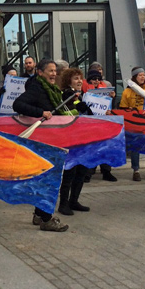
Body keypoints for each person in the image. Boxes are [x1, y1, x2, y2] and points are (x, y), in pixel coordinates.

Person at [12, 59, 69, 232]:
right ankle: (46, 218)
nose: (53, 74)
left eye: (55, 71)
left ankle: (39, 214)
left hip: (50, 140)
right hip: (42, 141)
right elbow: (18, 104)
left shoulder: (51, 89)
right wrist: (40, 113)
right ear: (40, 72)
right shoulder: (37, 88)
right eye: (50, 71)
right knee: (48, 179)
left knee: (46, 177)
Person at [56, 68, 93, 215]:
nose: (79, 81)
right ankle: (63, 203)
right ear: (68, 81)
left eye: (80, 78)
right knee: (70, 171)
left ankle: (74, 200)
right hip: (70, 138)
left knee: (82, 170)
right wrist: (80, 106)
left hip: (83, 137)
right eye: (76, 78)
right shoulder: (66, 95)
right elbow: (67, 112)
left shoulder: (81, 95)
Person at [119, 66, 145, 181]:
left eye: (144, 75)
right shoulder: (127, 91)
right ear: (134, 77)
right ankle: (136, 170)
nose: (142, 77)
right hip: (135, 122)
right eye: (140, 75)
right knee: (135, 147)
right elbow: (122, 108)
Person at [82, 69, 118, 182]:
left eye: (98, 79)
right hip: (91, 124)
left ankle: (106, 171)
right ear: (89, 80)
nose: (96, 81)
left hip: (104, 122)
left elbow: (108, 107)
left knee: (105, 147)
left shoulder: (105, 92)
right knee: (92, 148)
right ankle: (88, 172)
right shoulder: (85, 92)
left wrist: (111, 99)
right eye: (94, 79)